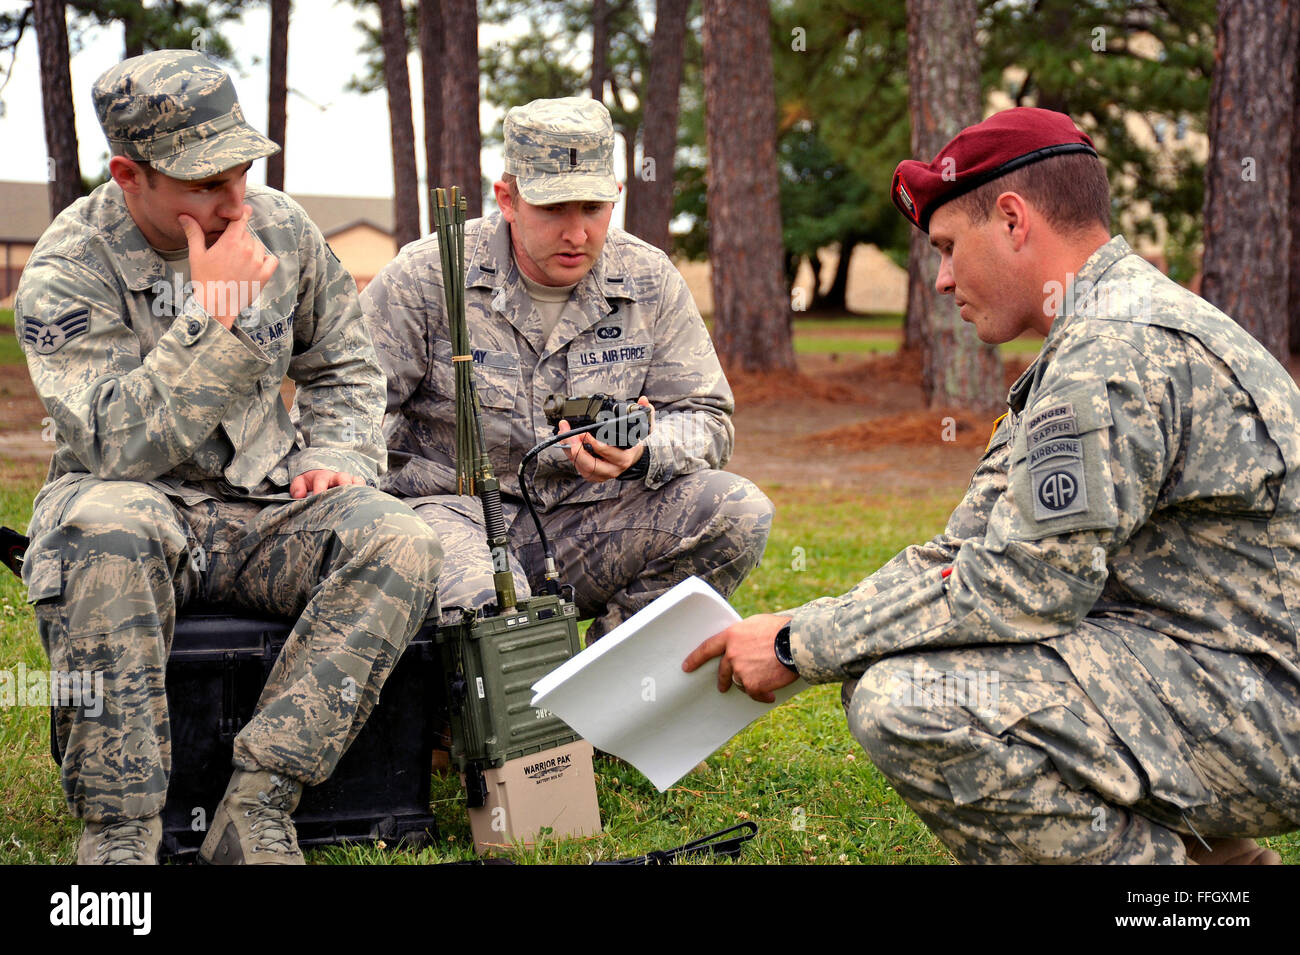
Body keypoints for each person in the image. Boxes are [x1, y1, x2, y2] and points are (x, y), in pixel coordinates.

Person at [685, 107, 1300, 865]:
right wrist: (808, 624)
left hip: (1266, 704)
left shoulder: (1112, 354)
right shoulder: (1096, 329)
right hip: (1222, 673)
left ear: (1012, 219)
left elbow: (1022, 588)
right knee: (894, 663)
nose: (941, 279)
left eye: (947, 247)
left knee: (912, 702)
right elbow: (962, 552)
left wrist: (797, 643)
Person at [16, 50, 441, 865]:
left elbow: (346, 362)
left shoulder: (279, 227)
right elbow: (116, 445)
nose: (235, 201)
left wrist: (339, 453)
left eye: (241, 172)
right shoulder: (69, 269)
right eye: (205, 184)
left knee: (398, 537)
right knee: (104, 527)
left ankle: (259, 806)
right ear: (129, 174)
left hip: (261, 508)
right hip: (137, 506)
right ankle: (120, 831)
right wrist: (211, 316)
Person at [361, 97, 771, 640]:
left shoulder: (648, 278)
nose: (577, 234)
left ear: (615, 199)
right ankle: (494, 714)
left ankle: (604, 695)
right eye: (554, 210)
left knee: (736, 511)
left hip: (590, 518)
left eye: (593, 209)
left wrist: (642, 451)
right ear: (507, 199)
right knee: (490, 606)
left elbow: (706, 416)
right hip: (453, 516)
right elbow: (350, 403)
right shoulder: (429, 276)